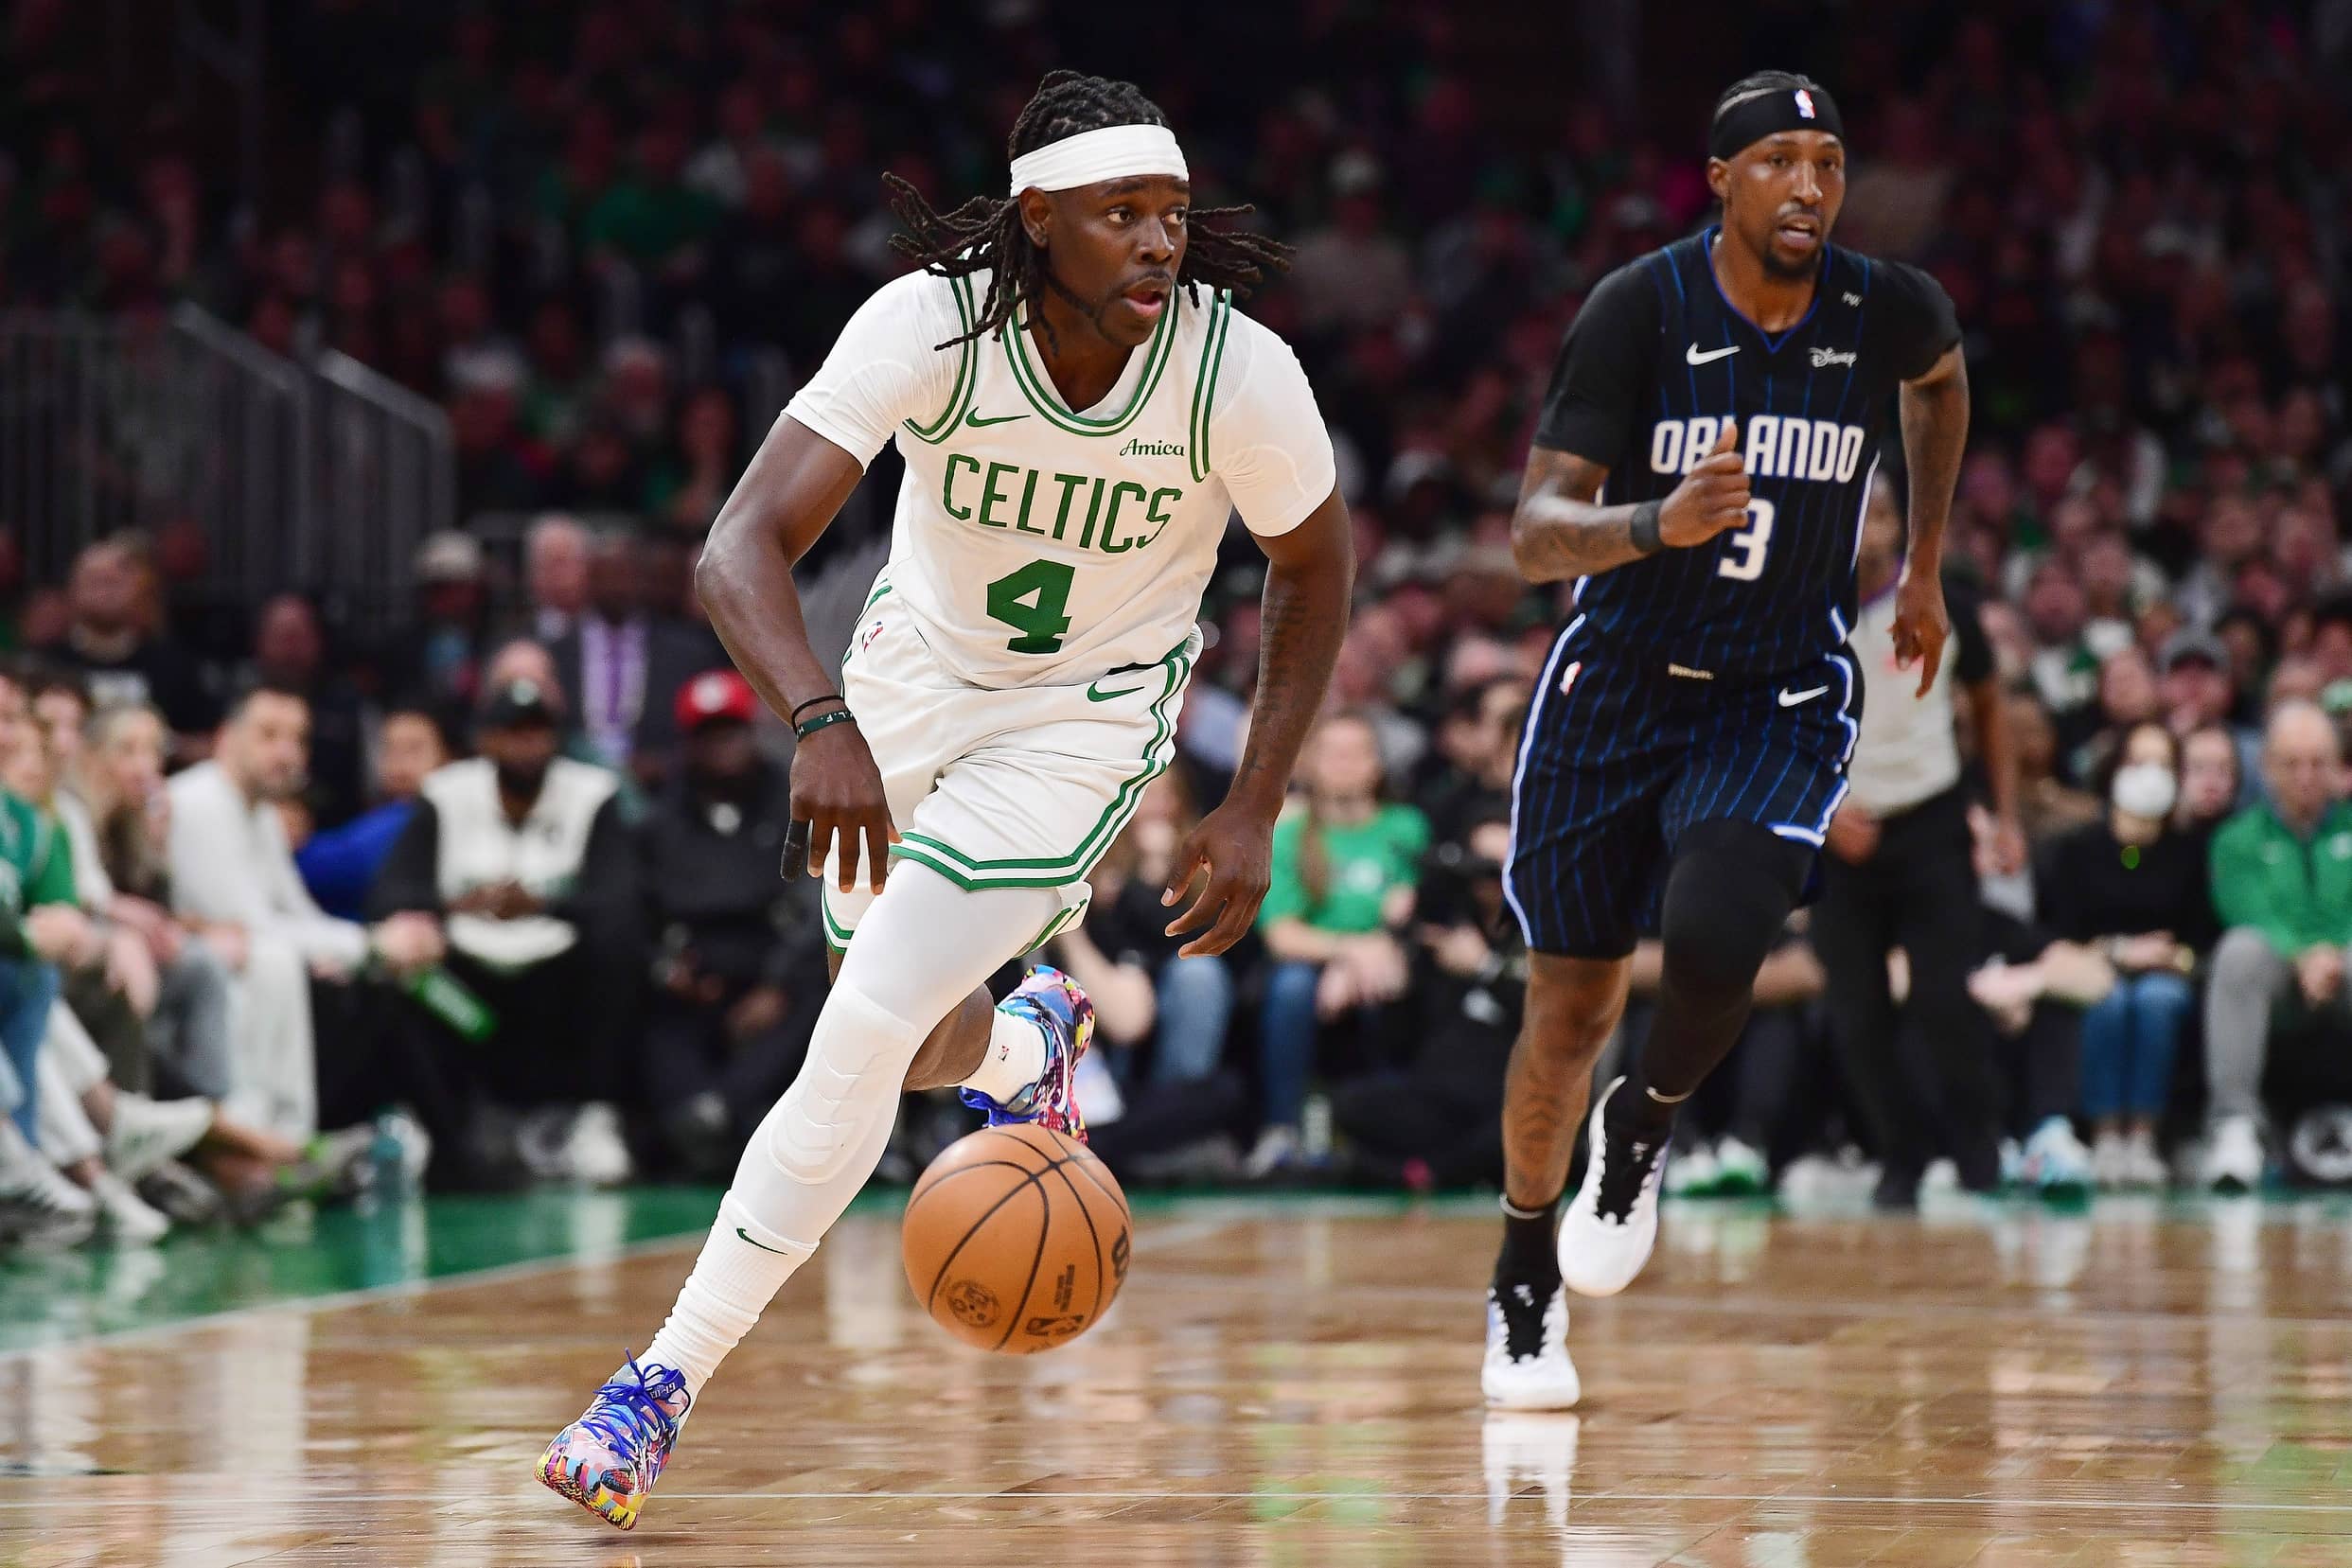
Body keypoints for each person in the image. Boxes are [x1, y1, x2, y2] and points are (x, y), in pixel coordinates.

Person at [539, 70, 1353, 1529]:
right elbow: (736, 547)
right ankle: (1025, 1043)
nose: (1158, 242)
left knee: (858, 1026)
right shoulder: (930, 324)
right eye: (1120, 214)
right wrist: (820, 719)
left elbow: (1314, 562)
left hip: (1082, 720)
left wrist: (1255, 801)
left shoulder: (1235, 371)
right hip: (905, 688)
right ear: (1038, 220)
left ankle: (657, 1384)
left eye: (1171, 214)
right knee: (912, 1039)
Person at [1485, 72, 1968, 1410]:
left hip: (1778, 685)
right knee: (1568, 1010)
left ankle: (1640, 1129)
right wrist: (1655, 523)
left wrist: (1923, 564)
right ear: (1720, 181)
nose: (1809, 185)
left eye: (1829, 161)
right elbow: (1533, 535)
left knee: (1716, 934)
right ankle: (1522, 1271)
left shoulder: (1885, 306)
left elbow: (1939, 383)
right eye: (1779, 160)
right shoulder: (1638, 308)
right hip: (1618, 681)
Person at [1812, 472, 2020, 1207]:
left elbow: (1989, 704)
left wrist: (2005, 815)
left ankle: (1978, 1147)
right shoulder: (1799, 608)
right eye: (1856, 510)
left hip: (1931, 821)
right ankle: (1900, 1152)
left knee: (1942, 999)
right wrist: (1822, 807)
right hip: (1837, 832)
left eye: (1881, 510)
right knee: (1855, 1015)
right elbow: (1770, 719)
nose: (1869, 522)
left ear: (1903, 521)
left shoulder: (1942, 600)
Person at [370, 677, 640, 1185]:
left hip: (558, 972)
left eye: (536, 731)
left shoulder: (592, 794)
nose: (525, 744)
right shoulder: (445, 793)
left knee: (618, 947)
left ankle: (592, 1117)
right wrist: (459, 905)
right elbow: (389, 894)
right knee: (401, 957)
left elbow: (620, 899)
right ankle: (440, 1126)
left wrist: (541, 903)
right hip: (467, 975)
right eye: (512, 732)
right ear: (486, 739)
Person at [637, 670, 822, 1177]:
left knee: (822, 995)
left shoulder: (794, 799)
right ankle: (698, 1117)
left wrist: (777, 984)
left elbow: (815, 900)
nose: (723, 747)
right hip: (694, 976)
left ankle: (722, 1109)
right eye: (709, 735)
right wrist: (666, 969)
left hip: (774, 969)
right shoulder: (661, 816)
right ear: (689, 743)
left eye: (731, 732)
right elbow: (643, 907)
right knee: (651, 1012)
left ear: (750, 731)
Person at [2039, 722, 2214, 1189]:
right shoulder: (2078, 850)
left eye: (2162, 764)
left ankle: (2142, 1137)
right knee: (2110, 1000)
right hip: (2092, 970)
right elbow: (2059, 931)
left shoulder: (2189, 853)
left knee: (2155, 1001)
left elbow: (2200, 938)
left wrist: (2172, 958)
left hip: (2167, 975)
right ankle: (2104, 1137)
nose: (2150, 775)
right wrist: (2119, 952)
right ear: (2115, 770)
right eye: (2139, 762)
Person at [1254, 711, 1428, 1175]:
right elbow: (1282, 935)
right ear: (1310, 764)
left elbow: (1416, 915)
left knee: (1389, 983)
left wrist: (1369, 955)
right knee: (1291, 987)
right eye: (1333, 754)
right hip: (1317, 963)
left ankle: (1389, 1134)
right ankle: (1282, 1128)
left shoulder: (1406, 828)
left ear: (1377, 766)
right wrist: (1351, 953)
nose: (1345, 765)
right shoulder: (1290, 833)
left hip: (1388, 958)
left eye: (1357, 753)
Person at [2202, 701, 2352, 1190]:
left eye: (2318, 763)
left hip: (2344, 969)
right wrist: (2303, 955)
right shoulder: (2235, 839)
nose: (2306, 776)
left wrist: (2333, 954)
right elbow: (2247, 909)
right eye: (2292, 763)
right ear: (2266, 768)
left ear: (2338, 768)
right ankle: (2235, 1127)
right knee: (2239, 951)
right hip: (2279, 980)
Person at [293, 707, 451, 922]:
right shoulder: (384, 810)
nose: (400, 763)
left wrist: (285, 839)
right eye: (390, 749)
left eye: (414, 749)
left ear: (445, 757)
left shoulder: (413, 815)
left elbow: (340, 863)